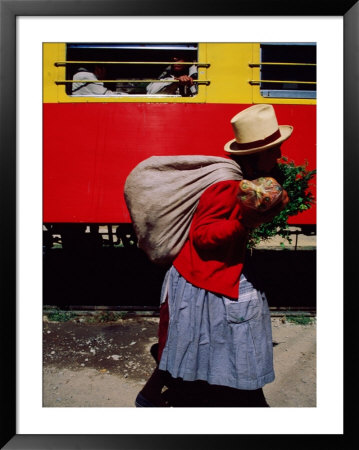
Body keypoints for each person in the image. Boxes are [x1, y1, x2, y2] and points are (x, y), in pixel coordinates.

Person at [135, 104, 293, 407]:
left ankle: (151, 398)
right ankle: (153, 399)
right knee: (224, 341)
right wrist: (244, 223)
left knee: (186, 348)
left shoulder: (248, 185)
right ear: (255, 155)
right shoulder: (227, 186)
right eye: (274, 150)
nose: (278, 156)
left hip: (209, 275)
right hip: (199, 279)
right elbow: (203, 237)